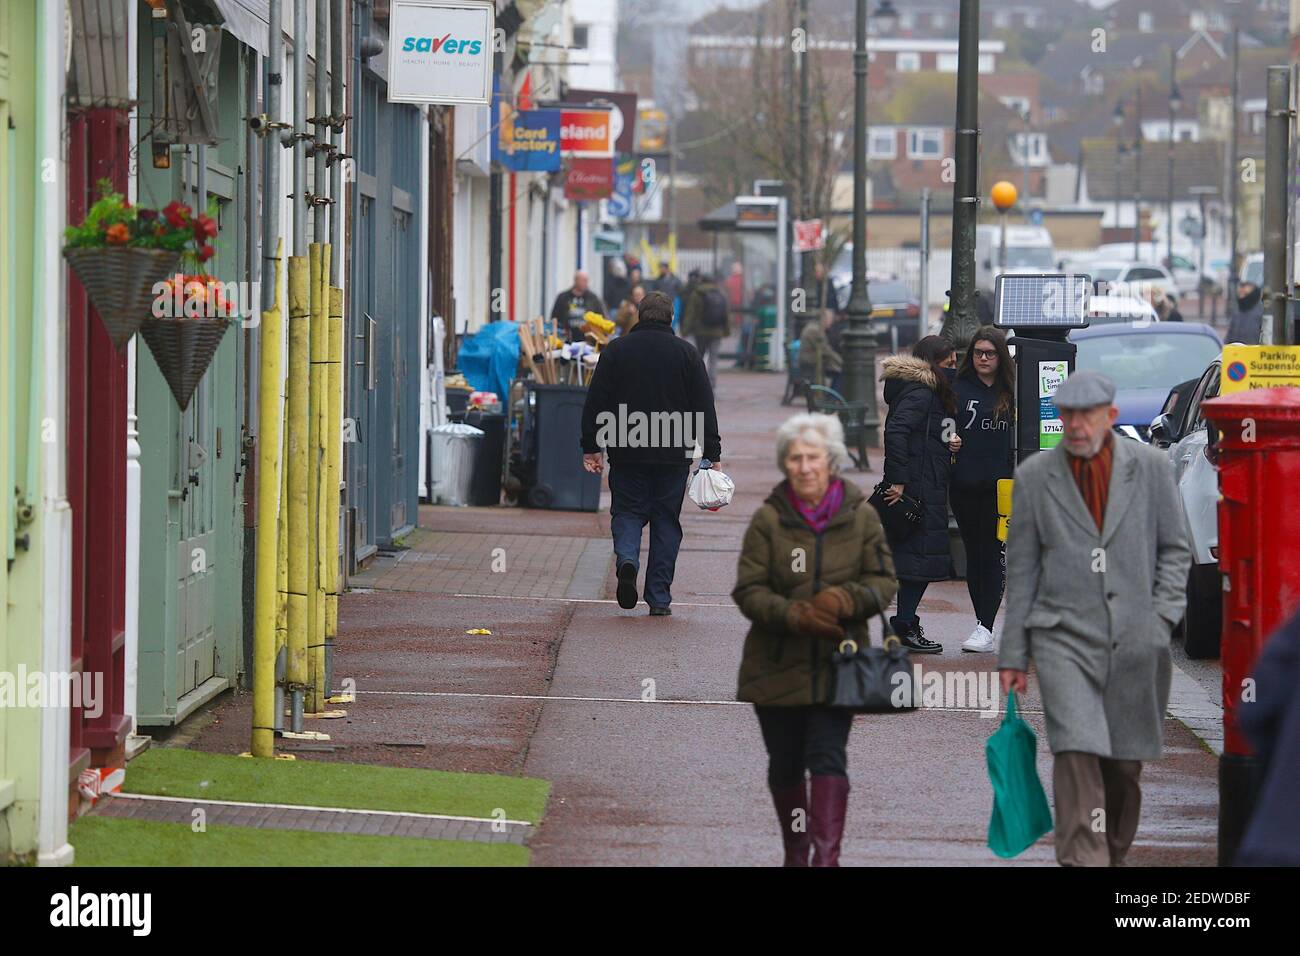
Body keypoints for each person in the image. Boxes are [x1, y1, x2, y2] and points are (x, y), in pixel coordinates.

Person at [998, 369, 1191, 867]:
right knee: (1076, 749)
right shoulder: (1036, 476)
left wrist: (1161, 619)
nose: (1076, 426)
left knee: (1123, 766)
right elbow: (1022, 570)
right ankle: (1086, 859)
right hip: (1062, 635)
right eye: (1067, 415)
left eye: (1087, 415)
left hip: (1136, 638)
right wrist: (1014, 654)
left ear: (1111, 416)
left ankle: (1112, 853)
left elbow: (1175, 550)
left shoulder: (1150, 468)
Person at [732, 413, 898, 866]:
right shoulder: (768, 519)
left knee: (827, 757)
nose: (804, 467)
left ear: (832, 460)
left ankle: (826, 858)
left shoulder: (862, 517)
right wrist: (796, 615)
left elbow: (884, 582)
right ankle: (795, 850)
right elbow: (748, 590)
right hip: (776, 663)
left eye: (813, 457)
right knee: (786, 764)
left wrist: (844, 601)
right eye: (795, 458)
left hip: (838, 665)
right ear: (785, 464)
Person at [580, 292, 721, 616]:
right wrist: (711, 452)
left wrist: (591, 446)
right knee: (665, 522)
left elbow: (596, 400)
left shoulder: (616, 350)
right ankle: (658, 597)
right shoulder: (687, 353)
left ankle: (628, 558)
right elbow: (703, 405)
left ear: (640, 316)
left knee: (627, 513)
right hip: (673, 452)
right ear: (670, 317)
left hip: (626, 448)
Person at [880, 335, 962, 654]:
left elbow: (933, 430)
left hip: (927, 481)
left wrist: (951, 442)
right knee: (918, 560)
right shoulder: (921, 391)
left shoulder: (931, 391)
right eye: (948, 364)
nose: (953, 369)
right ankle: (903, 623)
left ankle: (905, 620)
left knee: (919, 560)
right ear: (932, 363)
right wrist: (899, 480)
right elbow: (897, 430)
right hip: (917, 486)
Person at [951, 326, 1015, 654]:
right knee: (974, 556)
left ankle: (986, 626)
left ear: (1000, 356)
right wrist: (947, 439)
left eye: (990, 353)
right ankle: (982, 622)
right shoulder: (958, 387)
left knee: (992, 554)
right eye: (978, 353)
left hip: (1001, 486)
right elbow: (940, 423)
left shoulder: (1013, 390)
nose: (983, 358)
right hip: (963, 484)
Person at [681, 272, 729, 387]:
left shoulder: (697, 293)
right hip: (717, 332)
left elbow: (690, 313)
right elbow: (726, 314)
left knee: (699, 358)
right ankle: (712, 384)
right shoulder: (721, 293)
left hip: (700, 331)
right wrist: (726, 331)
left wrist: (685, 330)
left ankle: (699, 383)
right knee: (713, 359)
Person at [551, 270, 607, 343]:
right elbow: (554, 317)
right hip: (567, 338)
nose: (586, 283)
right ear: (576, 280)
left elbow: (602, 317)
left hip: (588, 339)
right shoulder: (563, 297)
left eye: (587, 280)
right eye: (583, 280)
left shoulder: (593, 298)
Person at [797, 309, 842, 389]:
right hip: (811, 364)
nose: (831, 322)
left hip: (811, 362)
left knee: (838, 368)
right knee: (841, 371)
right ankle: (832, 397)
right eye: (830, 319)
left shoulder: (815, 327)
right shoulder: (815, 330)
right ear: (824, 319)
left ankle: (832, 395)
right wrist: (841, 362)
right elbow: (826, 350)